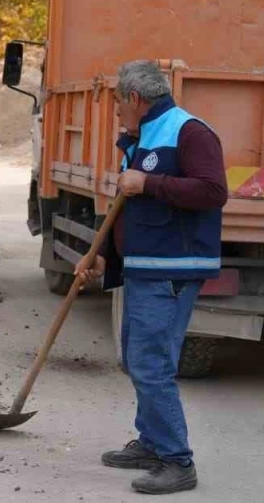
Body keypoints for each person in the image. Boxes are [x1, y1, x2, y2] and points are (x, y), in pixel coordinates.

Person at [80, 60, 227, 495]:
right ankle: (151, 443)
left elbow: (213, 191)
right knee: (137, 359)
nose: (117, 115)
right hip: (145, 268)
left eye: (118, 105)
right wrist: (103, 255)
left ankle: (177, 460)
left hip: (171, 270)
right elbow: (127, 208)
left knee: (152, 365)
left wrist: (148, 183)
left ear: (135, 98)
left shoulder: (189, 132)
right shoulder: (141, 137)